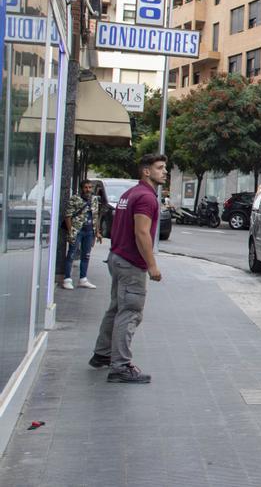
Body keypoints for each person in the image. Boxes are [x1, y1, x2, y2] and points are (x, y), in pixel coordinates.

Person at [90, 154, 167, 384]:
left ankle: (102, 354)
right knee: (130, 312)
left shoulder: (130, 193)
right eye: (160, 168)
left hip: (118, 257)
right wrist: (152, 265)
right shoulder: (146, 197)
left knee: (116, 308)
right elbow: (141, 232)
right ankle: (120, 366)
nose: (165, 172)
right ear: (146, 171)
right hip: (131, 263)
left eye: (165, 168)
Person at [59, 181, 104, 289]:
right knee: (71, 254)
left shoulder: (94, 199)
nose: (88, 189)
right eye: (85, 187)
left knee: (86, 255)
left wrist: (97, 232)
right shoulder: (75, 199)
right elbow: (68, 215)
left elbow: (95, 216)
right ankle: (67, 279)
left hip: (89, 231)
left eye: (90, 187)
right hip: (77, 230)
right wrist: (71, 231)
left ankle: (83, 279)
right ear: (81, 188)